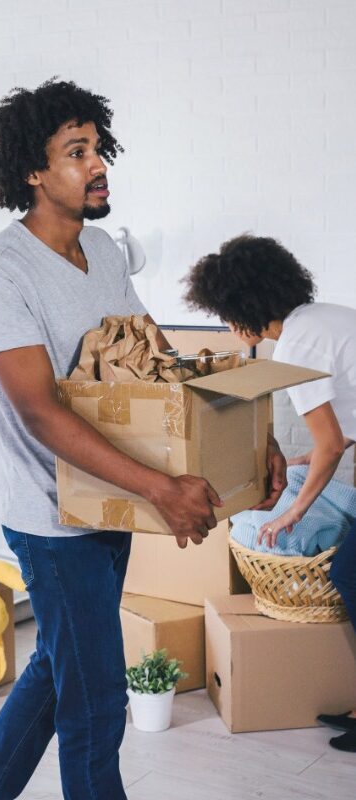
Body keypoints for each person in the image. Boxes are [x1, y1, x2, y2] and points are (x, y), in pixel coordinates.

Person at [0, 80, 286, 800]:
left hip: (108, 507)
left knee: (57, 671)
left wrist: (252, 441)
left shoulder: (101, 250)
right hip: (51, 518)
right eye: (76, 152)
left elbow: (162, 367)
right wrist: (162, 487)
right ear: (33, 173)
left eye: (98, 148)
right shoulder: (0, 273)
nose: (98, 165)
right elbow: (39, 411)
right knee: (98, 701)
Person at [183, 233, 356, 753]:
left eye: (228, 315)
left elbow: (329, 442)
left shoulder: (298, 345)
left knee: (349, 571)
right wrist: (309, 458)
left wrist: (293, 514)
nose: (229, 328)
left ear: (246, 307)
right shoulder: (322, 318)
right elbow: (339, 431)